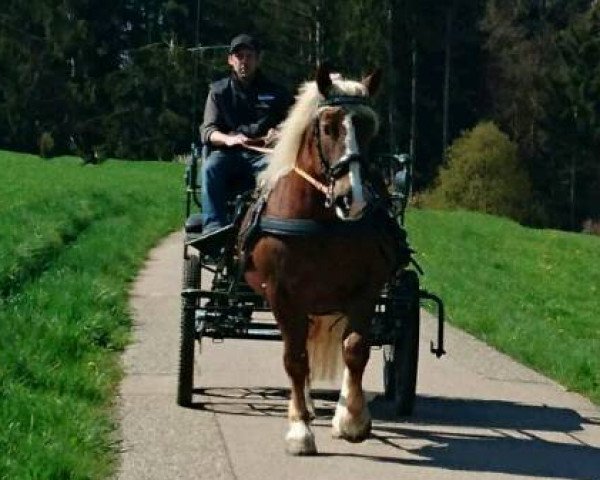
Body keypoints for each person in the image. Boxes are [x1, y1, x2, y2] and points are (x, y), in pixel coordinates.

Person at [199, 33, 292, 235]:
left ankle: (273, 223)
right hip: (229, 154)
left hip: (264, 154)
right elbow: (208, 131)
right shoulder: (218, 92)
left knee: (283, 172)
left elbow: (294, 123)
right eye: (239, 56)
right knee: (209, 168)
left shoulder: (278, 93)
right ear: (231, 60)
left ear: (258, 59)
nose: (244, 62)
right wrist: (228, 139)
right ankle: (214, 228)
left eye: (249, 56)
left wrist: (280, 132)